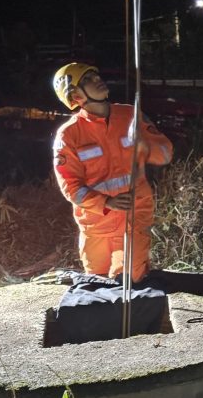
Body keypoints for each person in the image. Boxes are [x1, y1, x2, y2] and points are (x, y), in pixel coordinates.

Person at [51, 62, 173, 282]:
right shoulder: (69, 135)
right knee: (97, 283)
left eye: (95, 75)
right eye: (87, 79)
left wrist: (147, 148)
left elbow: (165, 153)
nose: (97, 79)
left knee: (128, 281)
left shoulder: (131, 115)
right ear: (75, 95)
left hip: (133, 219)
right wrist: (106, 202)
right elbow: (71, 187)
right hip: (96, 226)